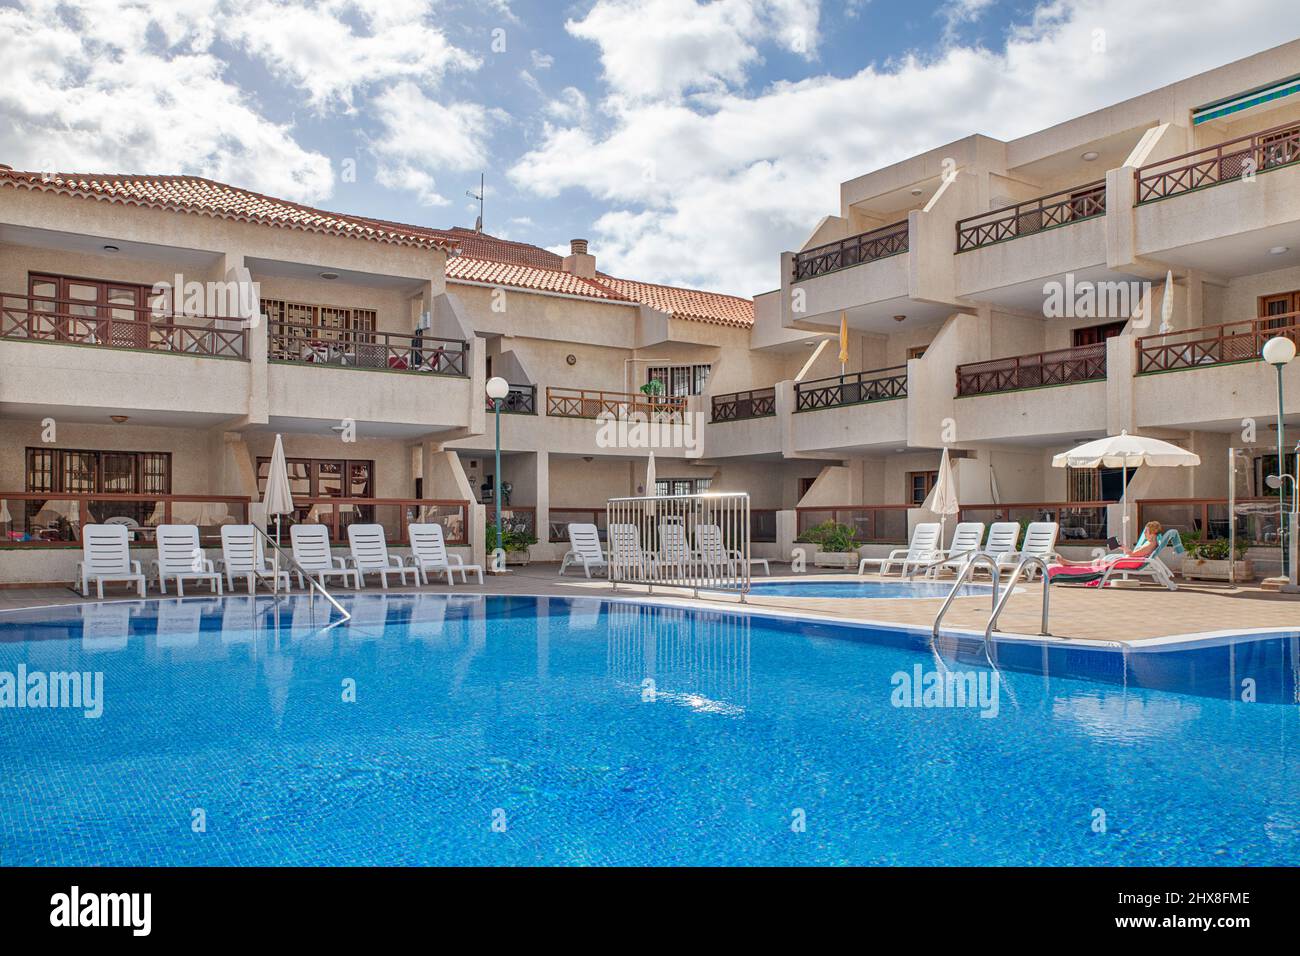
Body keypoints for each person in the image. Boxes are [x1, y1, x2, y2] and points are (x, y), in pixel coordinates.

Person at [1053, 520, 1163, 569]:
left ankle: (1069, 563)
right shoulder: (1151, 543)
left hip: (1128, 562)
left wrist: (1124, 547)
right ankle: (1069, 563)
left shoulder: (1149, 545)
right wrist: (1123, 547)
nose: (1144, 533)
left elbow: (1133, 554)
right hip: (1127, 560)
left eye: (1146, 531)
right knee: (1097, 561)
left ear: (1153, 533)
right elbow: (1134, 554)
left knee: (1096, 562)